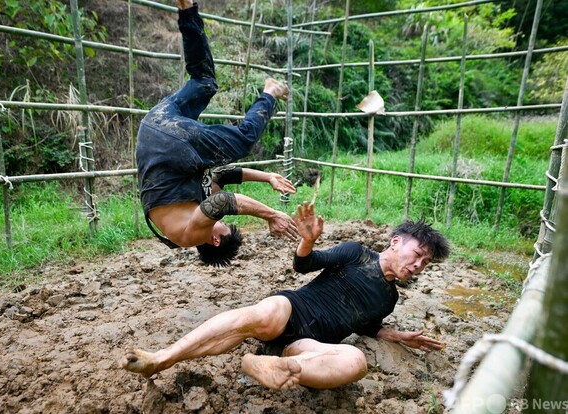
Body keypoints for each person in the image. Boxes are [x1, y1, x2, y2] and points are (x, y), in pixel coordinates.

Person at [120, 202, 451, 390]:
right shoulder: (356, 253)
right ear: (395, 242)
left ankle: (268, 365)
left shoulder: (389, 299)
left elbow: (366, 326)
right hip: (293, 308)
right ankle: (160, 359)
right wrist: (306, 241)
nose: (419, 264)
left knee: (356, 361)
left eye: (425, 262)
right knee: (263, 315)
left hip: (310, 343)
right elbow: (304, 263)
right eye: (417, 253)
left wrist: (395, 335)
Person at [137, 0, 297, 267]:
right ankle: (187, 9)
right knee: (204, 81)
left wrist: (270, 215)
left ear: (214, 240)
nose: (220, 222)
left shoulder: (191, 234)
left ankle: (269, 92)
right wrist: (267, 176)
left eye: (223, 227)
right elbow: (225, 177)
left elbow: (223, 202)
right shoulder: (190, 209)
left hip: (169, 144)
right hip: (155, 125)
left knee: (244, 140)